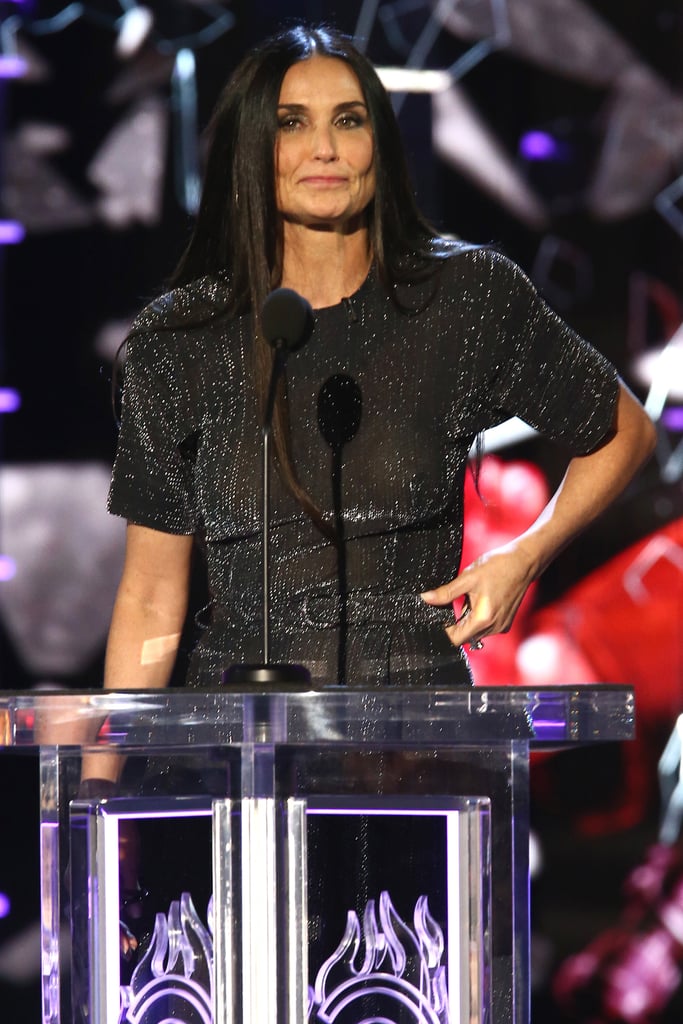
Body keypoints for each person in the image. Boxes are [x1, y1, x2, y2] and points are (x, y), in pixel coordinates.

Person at [101, 23, 656, 699]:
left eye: (349, 120)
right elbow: (151, 596)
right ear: (252, 147)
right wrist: (101, 781)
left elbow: (622, 428)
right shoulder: (183, 337)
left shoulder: (463, 298)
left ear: (379, 145)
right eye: (292, 123)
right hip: (241, 746)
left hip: (413, 740)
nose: (325, 148)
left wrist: (523, 556)